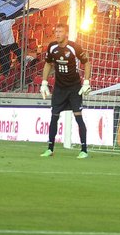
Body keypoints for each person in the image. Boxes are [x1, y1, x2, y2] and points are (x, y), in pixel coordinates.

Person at [39, 22, 93, 159]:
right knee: (54, 116)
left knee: (78, 117)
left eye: (60, 32)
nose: (57, 34)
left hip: (74, 88)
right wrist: (44, 82)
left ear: (66, 33)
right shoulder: (52, 47)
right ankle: (50, 148)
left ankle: (84, 150)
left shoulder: (74, 47)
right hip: (59, 88)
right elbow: (47, 64)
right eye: (56, 31)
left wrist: (86, 82)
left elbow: (86, 63)